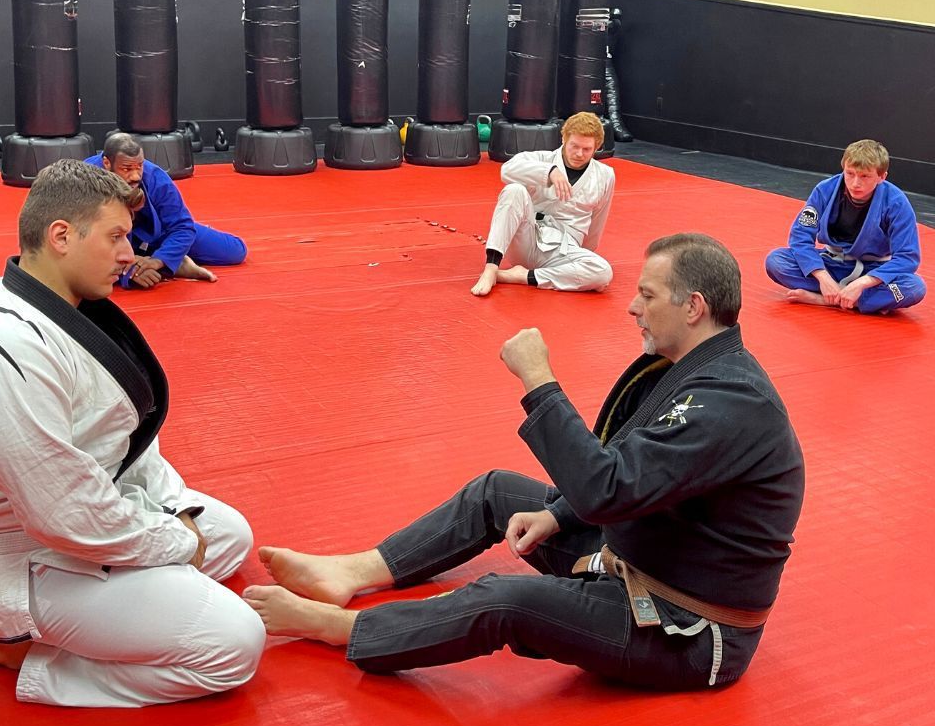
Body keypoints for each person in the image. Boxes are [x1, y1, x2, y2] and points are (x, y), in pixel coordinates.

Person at [245, 234, 805, 691]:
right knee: (498, 493)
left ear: (694, 306)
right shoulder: (692, 371)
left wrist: (538, 380)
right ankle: (356, 570)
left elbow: (607, 489)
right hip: (639, 556)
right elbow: (625, 469)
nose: (633, 305)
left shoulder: (730, 402)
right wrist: (559, 516)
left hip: (683, 629)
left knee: (505, 599)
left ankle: (347, 628)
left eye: (648, 294)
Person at [0, 159, 264, 707]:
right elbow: (66, 515)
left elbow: (124, 447)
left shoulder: (60, 309)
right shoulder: (1, 353)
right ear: (61, 236)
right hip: (27, 554)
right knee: (235, 643)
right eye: (116, 237)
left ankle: (105, 605)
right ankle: (18, 650)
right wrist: (175, 541)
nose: (129, 254)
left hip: (68, 520)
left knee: (229, 534)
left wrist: (175, 522)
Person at [765, 139, 926, 314]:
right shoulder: (824, 190)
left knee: (913, 287)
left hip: (874, 271)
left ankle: (828, 299)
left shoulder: (896, 203)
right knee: (776, 261)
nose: (855, 183)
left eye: (865, 176)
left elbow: (907, 257)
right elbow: (800, 238)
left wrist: (863, 282)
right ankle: (845, 295)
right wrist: (822, 277)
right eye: (850, 173)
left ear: (882, 177)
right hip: (831, 265)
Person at [471, 111, 614, 296]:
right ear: (564, 139)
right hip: (527, 239)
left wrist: (581, 260)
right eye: (574, 146)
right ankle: (491, 268)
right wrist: (550, 172)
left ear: (597, 147)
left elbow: (598, 221)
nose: (579, 154)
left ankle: (520, 276)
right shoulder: (542, 159)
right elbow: (506, 170)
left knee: (603, 272)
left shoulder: (605, 175)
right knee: (514, 191)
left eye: (587, 149)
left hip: (563, 250)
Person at [85, 133, 246, 289]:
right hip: (110, 244)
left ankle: (170, 259)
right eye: (126, 169)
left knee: (236, 251)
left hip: (159, 234)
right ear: (106, 163)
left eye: (139, 166)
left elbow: (182, 227)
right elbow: (82, 243)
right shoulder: (86, 180)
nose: (135, 176)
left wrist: (159, 260)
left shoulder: (155, 177)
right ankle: (173, 264)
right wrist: (129, 271)